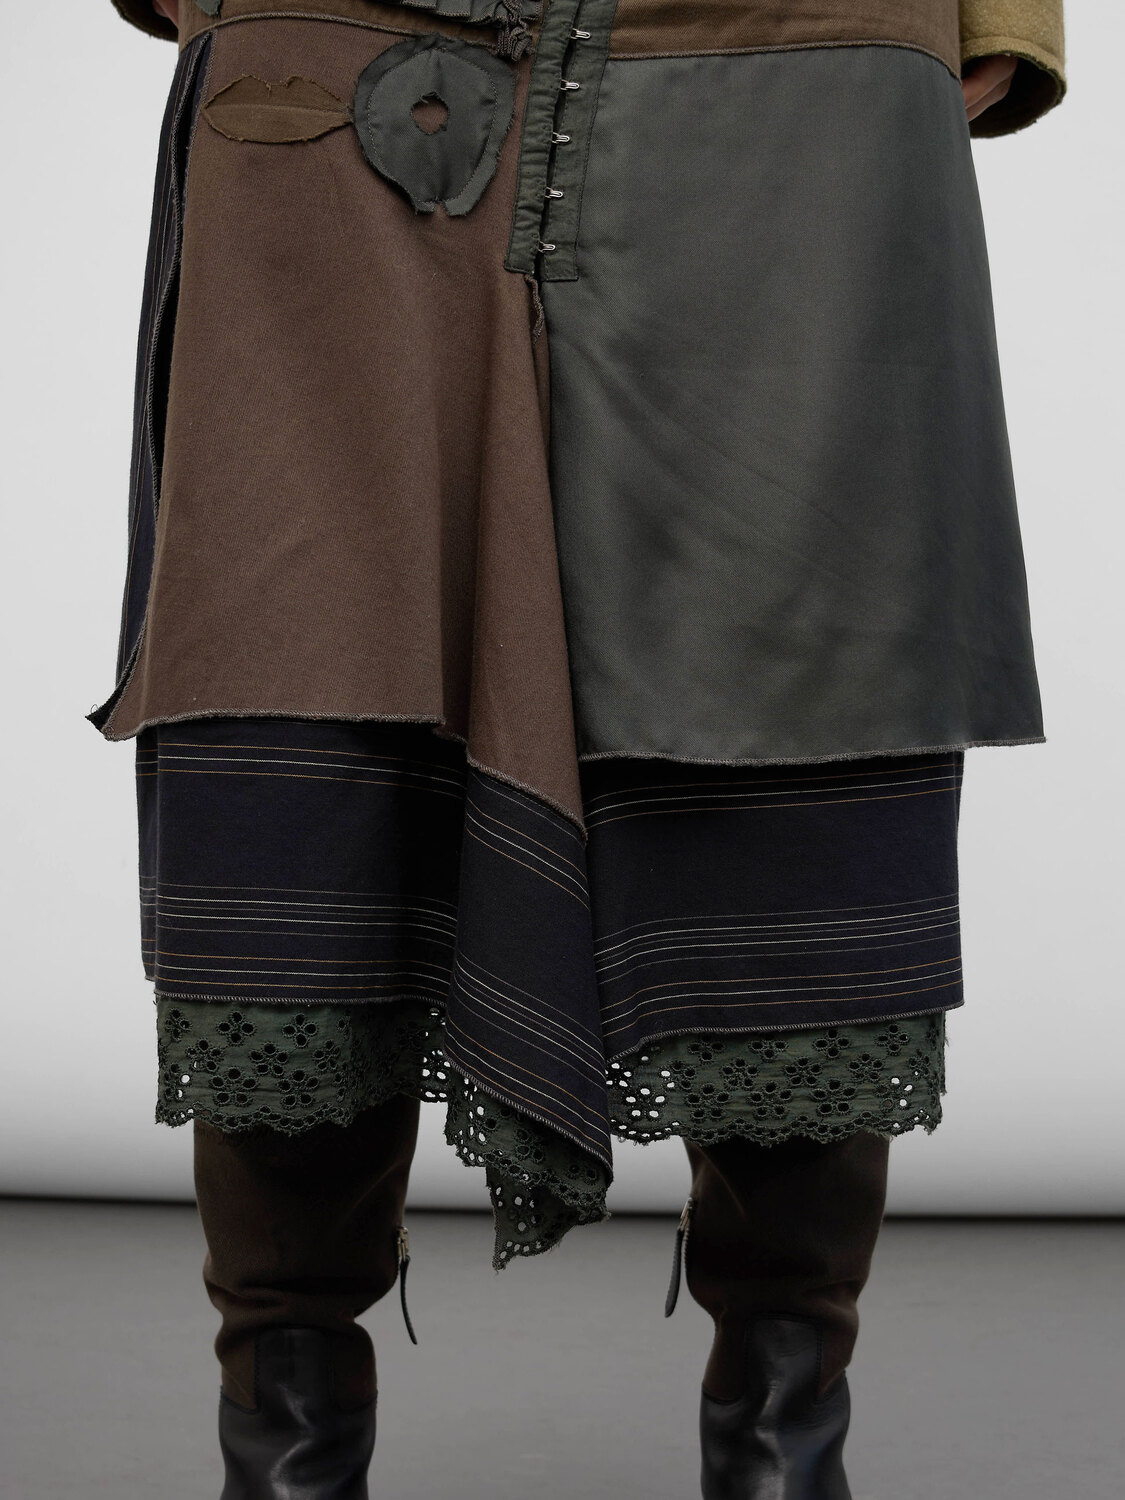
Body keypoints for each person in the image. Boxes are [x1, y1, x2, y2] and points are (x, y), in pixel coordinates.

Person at [99, 2, 1066, 1496]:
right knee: (302, 714)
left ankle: (780, 1449)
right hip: (340, 58)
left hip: (789, 53)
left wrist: (996, 13)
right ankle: (287, 1456)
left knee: (795, 714)